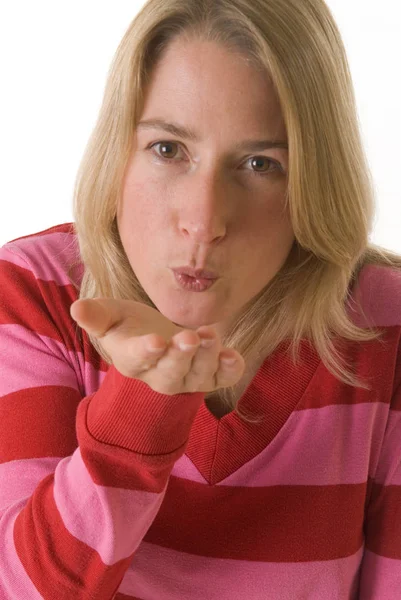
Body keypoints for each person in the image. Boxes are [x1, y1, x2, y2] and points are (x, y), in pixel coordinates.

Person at [0, 0, 400, 597]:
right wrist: (144, 404)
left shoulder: (382, 326)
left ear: (314, 179)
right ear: (119, 151)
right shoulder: (33, 295)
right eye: (169, 149)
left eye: (260, 163)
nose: (205, 221)